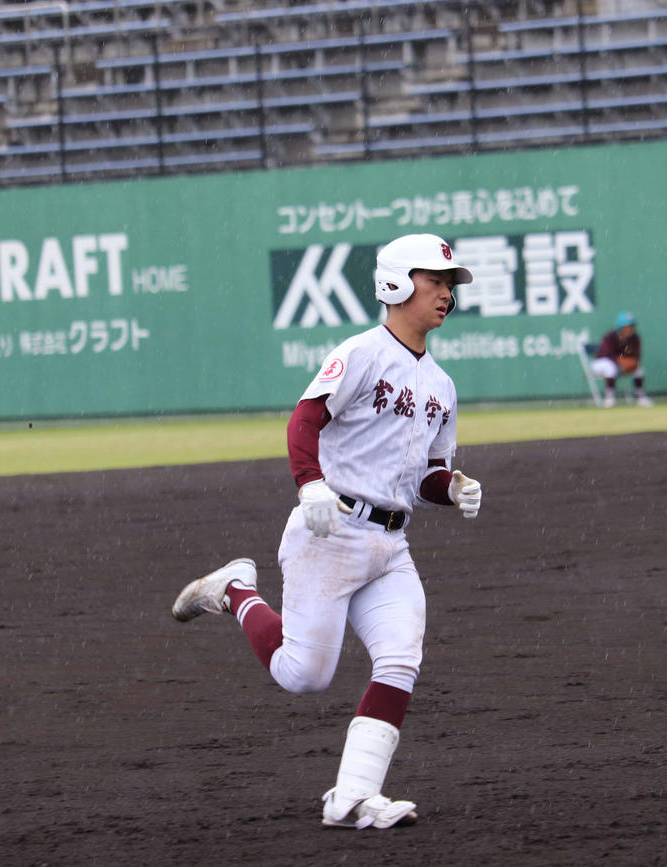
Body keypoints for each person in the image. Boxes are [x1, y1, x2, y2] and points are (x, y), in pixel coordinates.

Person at [170, 233, 483, 829]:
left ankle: (353, 797)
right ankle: (236, 590)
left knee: (399, 658)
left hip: (391, 547)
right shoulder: (362, 353)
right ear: (395, 282)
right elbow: (304, 419)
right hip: (329, 533)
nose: (446, 293)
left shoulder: (441, 386)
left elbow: (425, 477)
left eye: (450, 284)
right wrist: (310, 484)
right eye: (435, 280)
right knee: (303, 675)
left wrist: (453, 488)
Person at [591, 311, 652, 408]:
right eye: (627, 326)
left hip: (619, 366)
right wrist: (621, 361)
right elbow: (607, 354)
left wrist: (630, 363)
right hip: (600, 363)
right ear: (621, 327)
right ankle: (610, 397)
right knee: (609, 367)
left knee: (638, 368)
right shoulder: (611, 336)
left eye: (632, 326)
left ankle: (640, 396)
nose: (630, 329)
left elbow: (636, 356)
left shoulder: (634, 338)